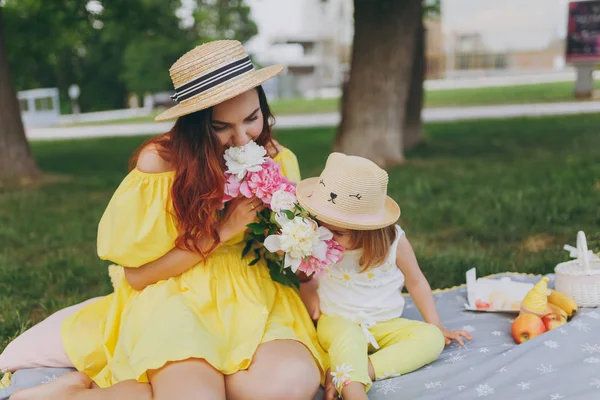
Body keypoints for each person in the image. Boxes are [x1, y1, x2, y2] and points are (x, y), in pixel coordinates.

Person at [11, 40, 325, 400]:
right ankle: (77, 392)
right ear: (194, 126)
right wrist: (222, 231)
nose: (241, 138)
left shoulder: (277, 158)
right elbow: (139, 275)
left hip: (253, 291)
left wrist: (307, 277)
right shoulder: (160, 165)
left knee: (286, 387)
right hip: (176, 293)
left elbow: (291, 244)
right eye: (221, 127)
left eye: (252, 118)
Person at [296, 153, 472, 400]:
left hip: (383, 325)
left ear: (366, 230)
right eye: (320, 224)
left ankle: (352, 370)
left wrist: (437, 324)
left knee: (431, 338)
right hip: (337, 321)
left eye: (337, 231)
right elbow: (303, 274)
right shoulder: (320, 239)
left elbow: (416, 281)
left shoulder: (394, 242)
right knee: (349, 337)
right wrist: (303, 274)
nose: (326, 235)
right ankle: (354, 392)